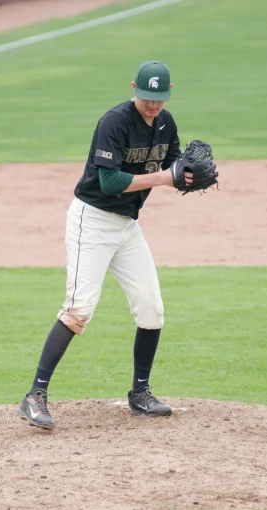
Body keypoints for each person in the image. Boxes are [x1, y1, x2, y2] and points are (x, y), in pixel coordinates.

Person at [18, 61, 192, 430]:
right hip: (92, 221)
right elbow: (110, 182)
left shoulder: (166, 122)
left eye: (160, 99)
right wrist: (165, 178)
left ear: (169, 92)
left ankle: (140, 394)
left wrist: (187, 174)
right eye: (147, 98)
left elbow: (174, 161)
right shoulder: (114, 122)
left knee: (151, 306)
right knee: (79, 309)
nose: (153, 105)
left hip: (127, 227)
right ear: (134, 88)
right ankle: (34, 395)